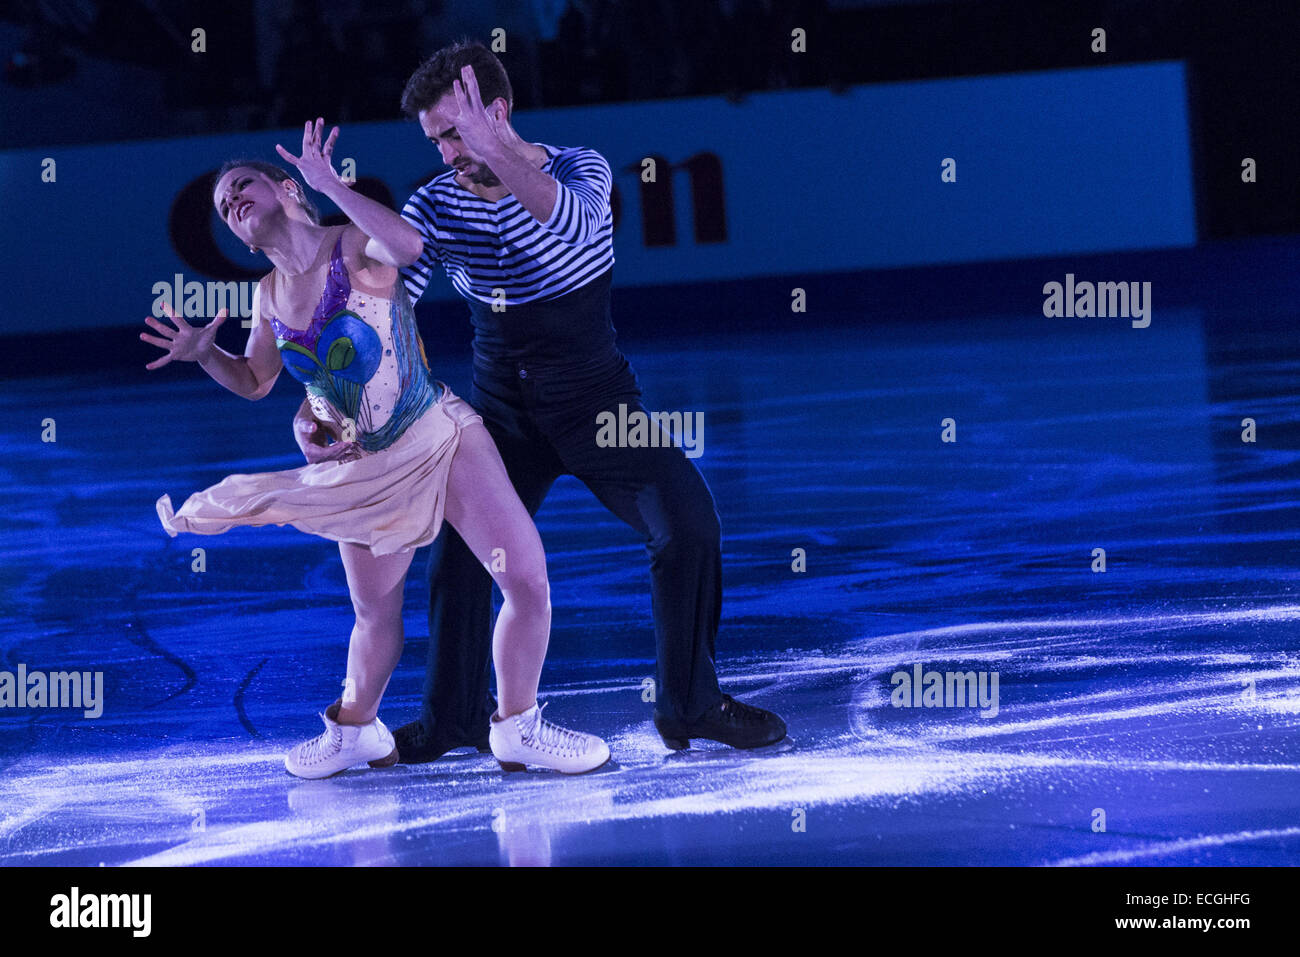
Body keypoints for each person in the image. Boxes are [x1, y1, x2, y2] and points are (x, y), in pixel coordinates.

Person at [294, 41, 787, 761]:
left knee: (688, 525)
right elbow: (383, 307)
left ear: (498, 110)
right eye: (435, 139)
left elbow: (567, 227)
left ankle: (689, 702)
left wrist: (499, 152)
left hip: (596, 404)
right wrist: (325, 403)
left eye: (456, 131)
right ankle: (455, 717)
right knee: (458, 555)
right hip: (501, 413)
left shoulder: (578, 168)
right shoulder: (434, 202)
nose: (447, 152)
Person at [145, 119, 610, 778]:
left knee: (526, 579)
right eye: (224, 205)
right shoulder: (267, 294)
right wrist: (205, 355)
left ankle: (518, 725)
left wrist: (330, 183)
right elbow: (255, 380)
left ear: (284, 187)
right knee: (374, 614)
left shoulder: (353, 245)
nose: (232, 203)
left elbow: (411, 243)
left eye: (241, 186)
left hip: (439, 437)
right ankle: (356, 731)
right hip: (364, 470)